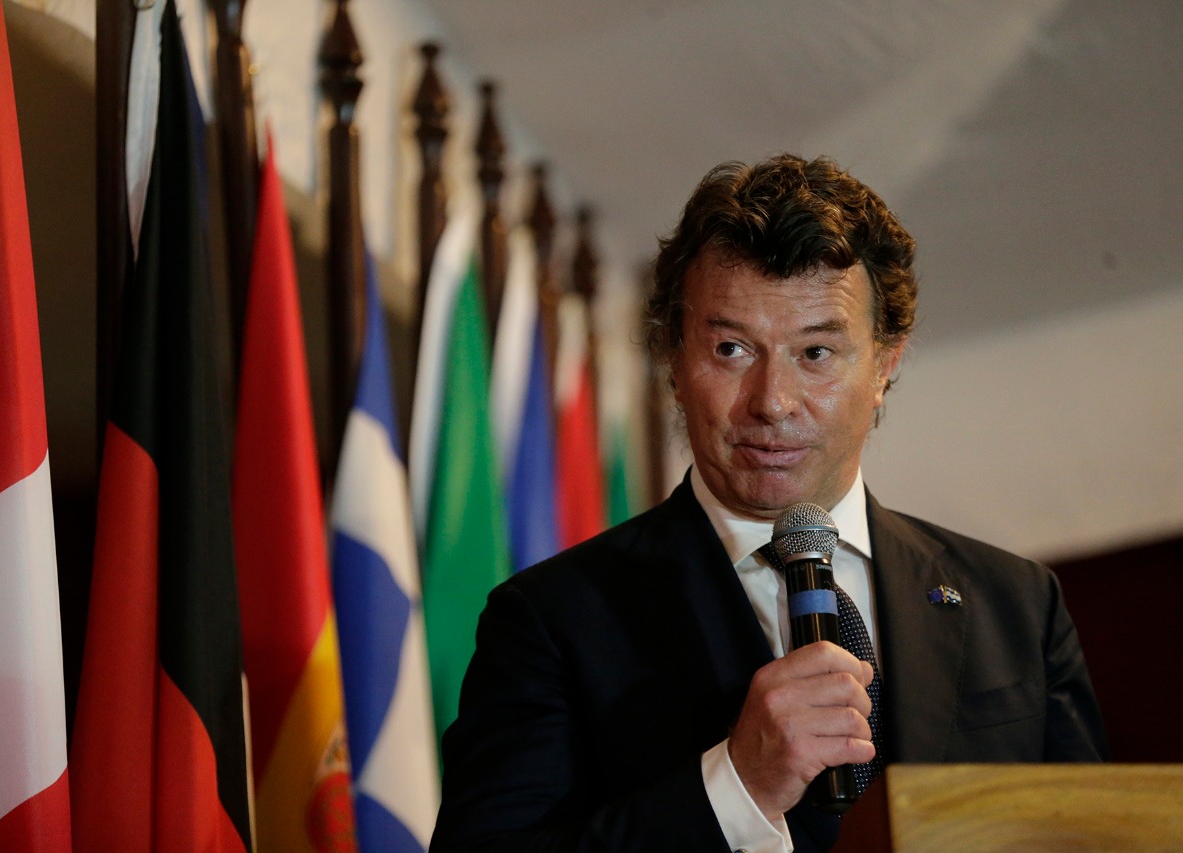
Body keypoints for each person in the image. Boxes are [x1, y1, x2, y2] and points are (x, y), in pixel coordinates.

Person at [428, 155, 1106, 852]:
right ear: (674, 361)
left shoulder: (1018, 605)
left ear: (885, 364)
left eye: (816, 353)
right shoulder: (551, 620)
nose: (772, 402)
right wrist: (737, 786)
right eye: (731, 348)